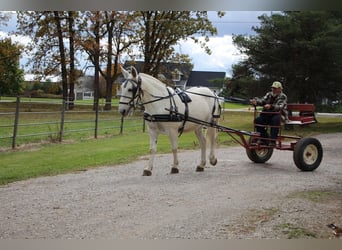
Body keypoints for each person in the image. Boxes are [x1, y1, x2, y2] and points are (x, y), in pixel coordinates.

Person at [250, 81, 288, 146]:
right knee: (257, 121)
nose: (273, 90)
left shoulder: (283, 96)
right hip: (268, 114)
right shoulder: (269, 94)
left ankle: (273, 141)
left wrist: (271, 106)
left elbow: (280, 106)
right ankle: (264, 139)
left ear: (280, 89)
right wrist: (256, 102)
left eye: (275, 88)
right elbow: (262, 101)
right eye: (272, 88)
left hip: (279, 114)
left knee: (275, 120)